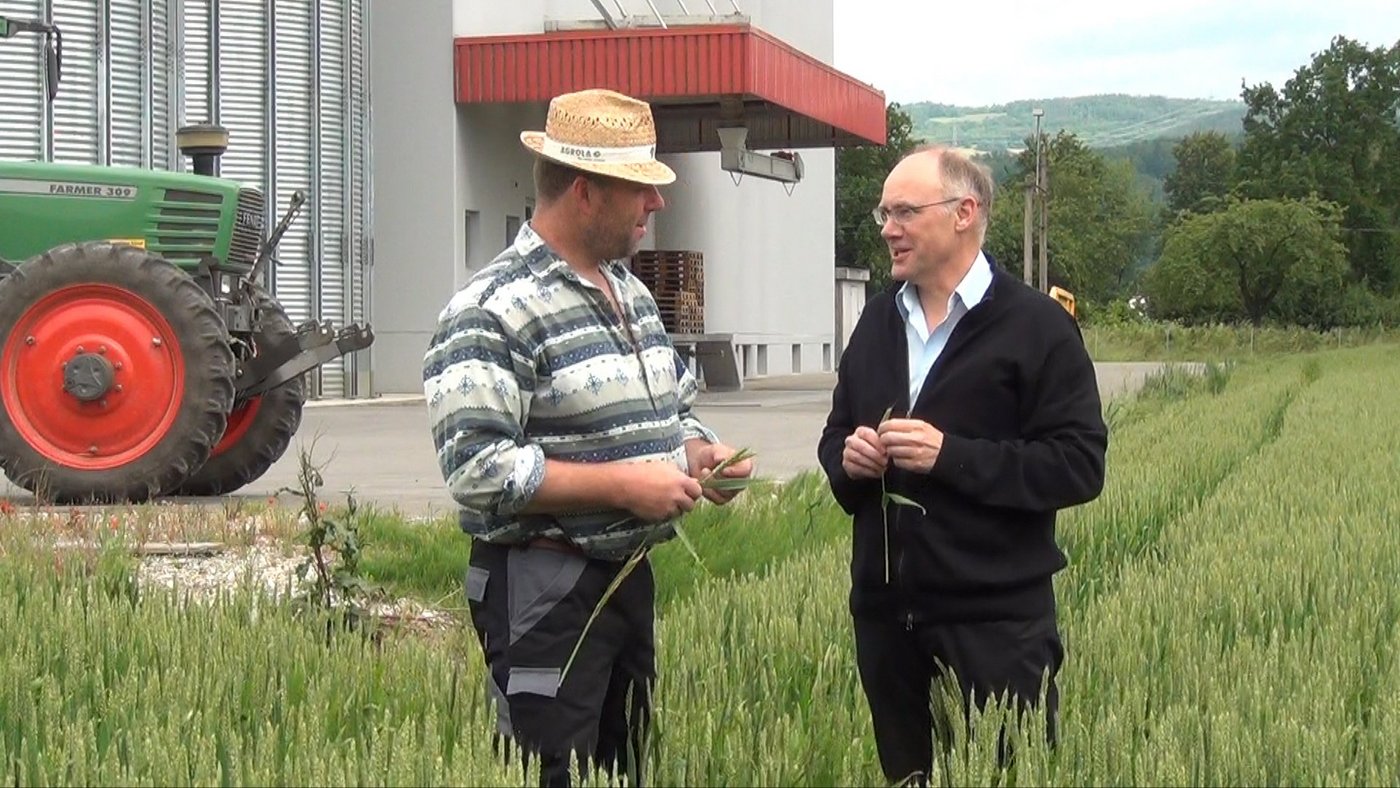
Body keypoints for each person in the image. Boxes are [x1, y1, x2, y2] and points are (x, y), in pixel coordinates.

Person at [423, 88, 754, 787]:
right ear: (585, 194)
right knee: (552, 770)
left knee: (621, 765)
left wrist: (700, 452)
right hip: (543, 585)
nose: (656, 205)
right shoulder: (492, 309)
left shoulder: (629, 294)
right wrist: (622, 486)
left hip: (626, 581)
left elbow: (676, 408)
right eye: (641, 189)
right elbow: (477, 469)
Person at [816, 145, 1108, 785]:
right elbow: (835, 432)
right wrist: (848, 458)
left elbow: (1079, 464)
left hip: (996, 627)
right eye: (884, 213)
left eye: (905, 212)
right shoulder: (876, 322)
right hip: (887, 624)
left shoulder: (1038, 329)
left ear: (963, 213)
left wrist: (952, 457)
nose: (889, 228)